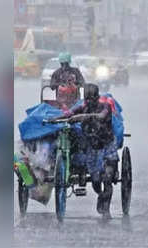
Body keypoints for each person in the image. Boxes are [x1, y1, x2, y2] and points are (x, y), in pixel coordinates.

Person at [51, 83, 118, 219]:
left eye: (91, 99)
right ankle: (101, 195)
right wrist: (55, 120)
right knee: (95, 181)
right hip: (93, 147)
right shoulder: (83, 107)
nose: (88, 101)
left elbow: (100, 116)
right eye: (86, 99)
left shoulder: (105, 107)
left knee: (107, 178)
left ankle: (106, 209)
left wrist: (81, 117)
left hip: (107, 146)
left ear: (97, 97)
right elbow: (70, 114)